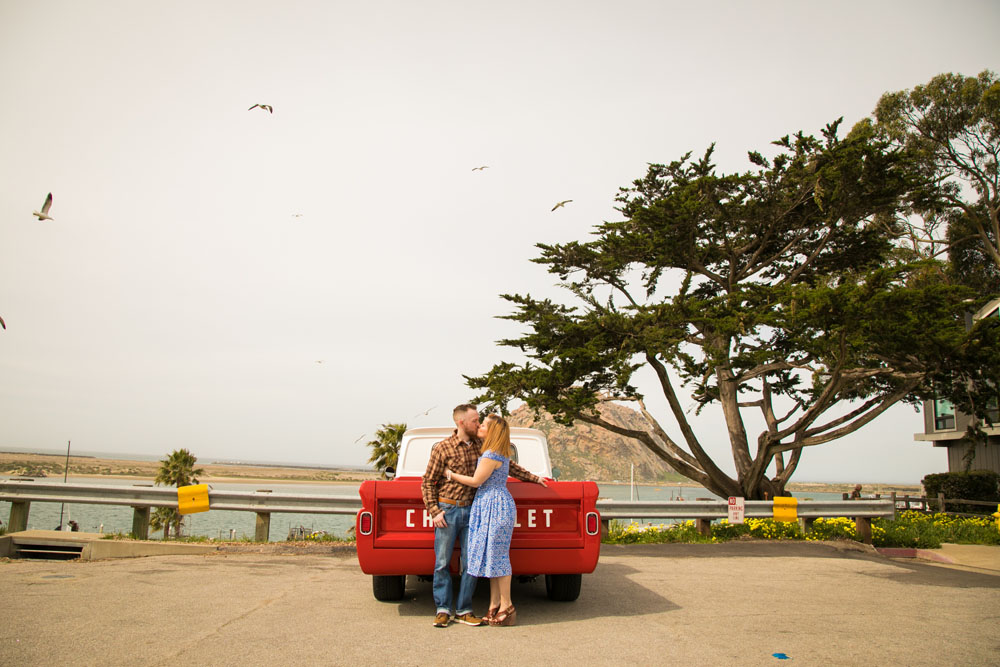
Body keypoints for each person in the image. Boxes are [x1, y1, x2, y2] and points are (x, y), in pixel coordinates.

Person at [421, 404, 547, 628]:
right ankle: (442, 609)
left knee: (472, 562)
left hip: (474, 510)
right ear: (461, 422)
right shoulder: (443, 448)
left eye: (481, 422)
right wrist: (434, 510)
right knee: (442, 563)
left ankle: (464, 609)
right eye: (474, 421)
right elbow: (428, 481)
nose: (478, 424)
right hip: (448, 509)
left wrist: (533, 477)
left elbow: (508, 466)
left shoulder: (483, 446)